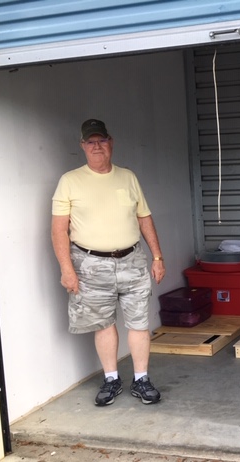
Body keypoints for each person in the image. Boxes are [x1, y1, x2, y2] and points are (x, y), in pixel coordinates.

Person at [51, 119, 166, 406]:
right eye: (91, 141)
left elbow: (144, 217)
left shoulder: (128, 177)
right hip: (90, 264)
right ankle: (111, 379)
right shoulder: (69, 181)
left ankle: (141, 379)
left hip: (133, 260)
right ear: (82, 146)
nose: (97, 146)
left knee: (139, 322)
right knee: (102, 323)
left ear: (110, 142)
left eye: (101, 140)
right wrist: (66, 269)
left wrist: (157, 257)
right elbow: (58, 230)